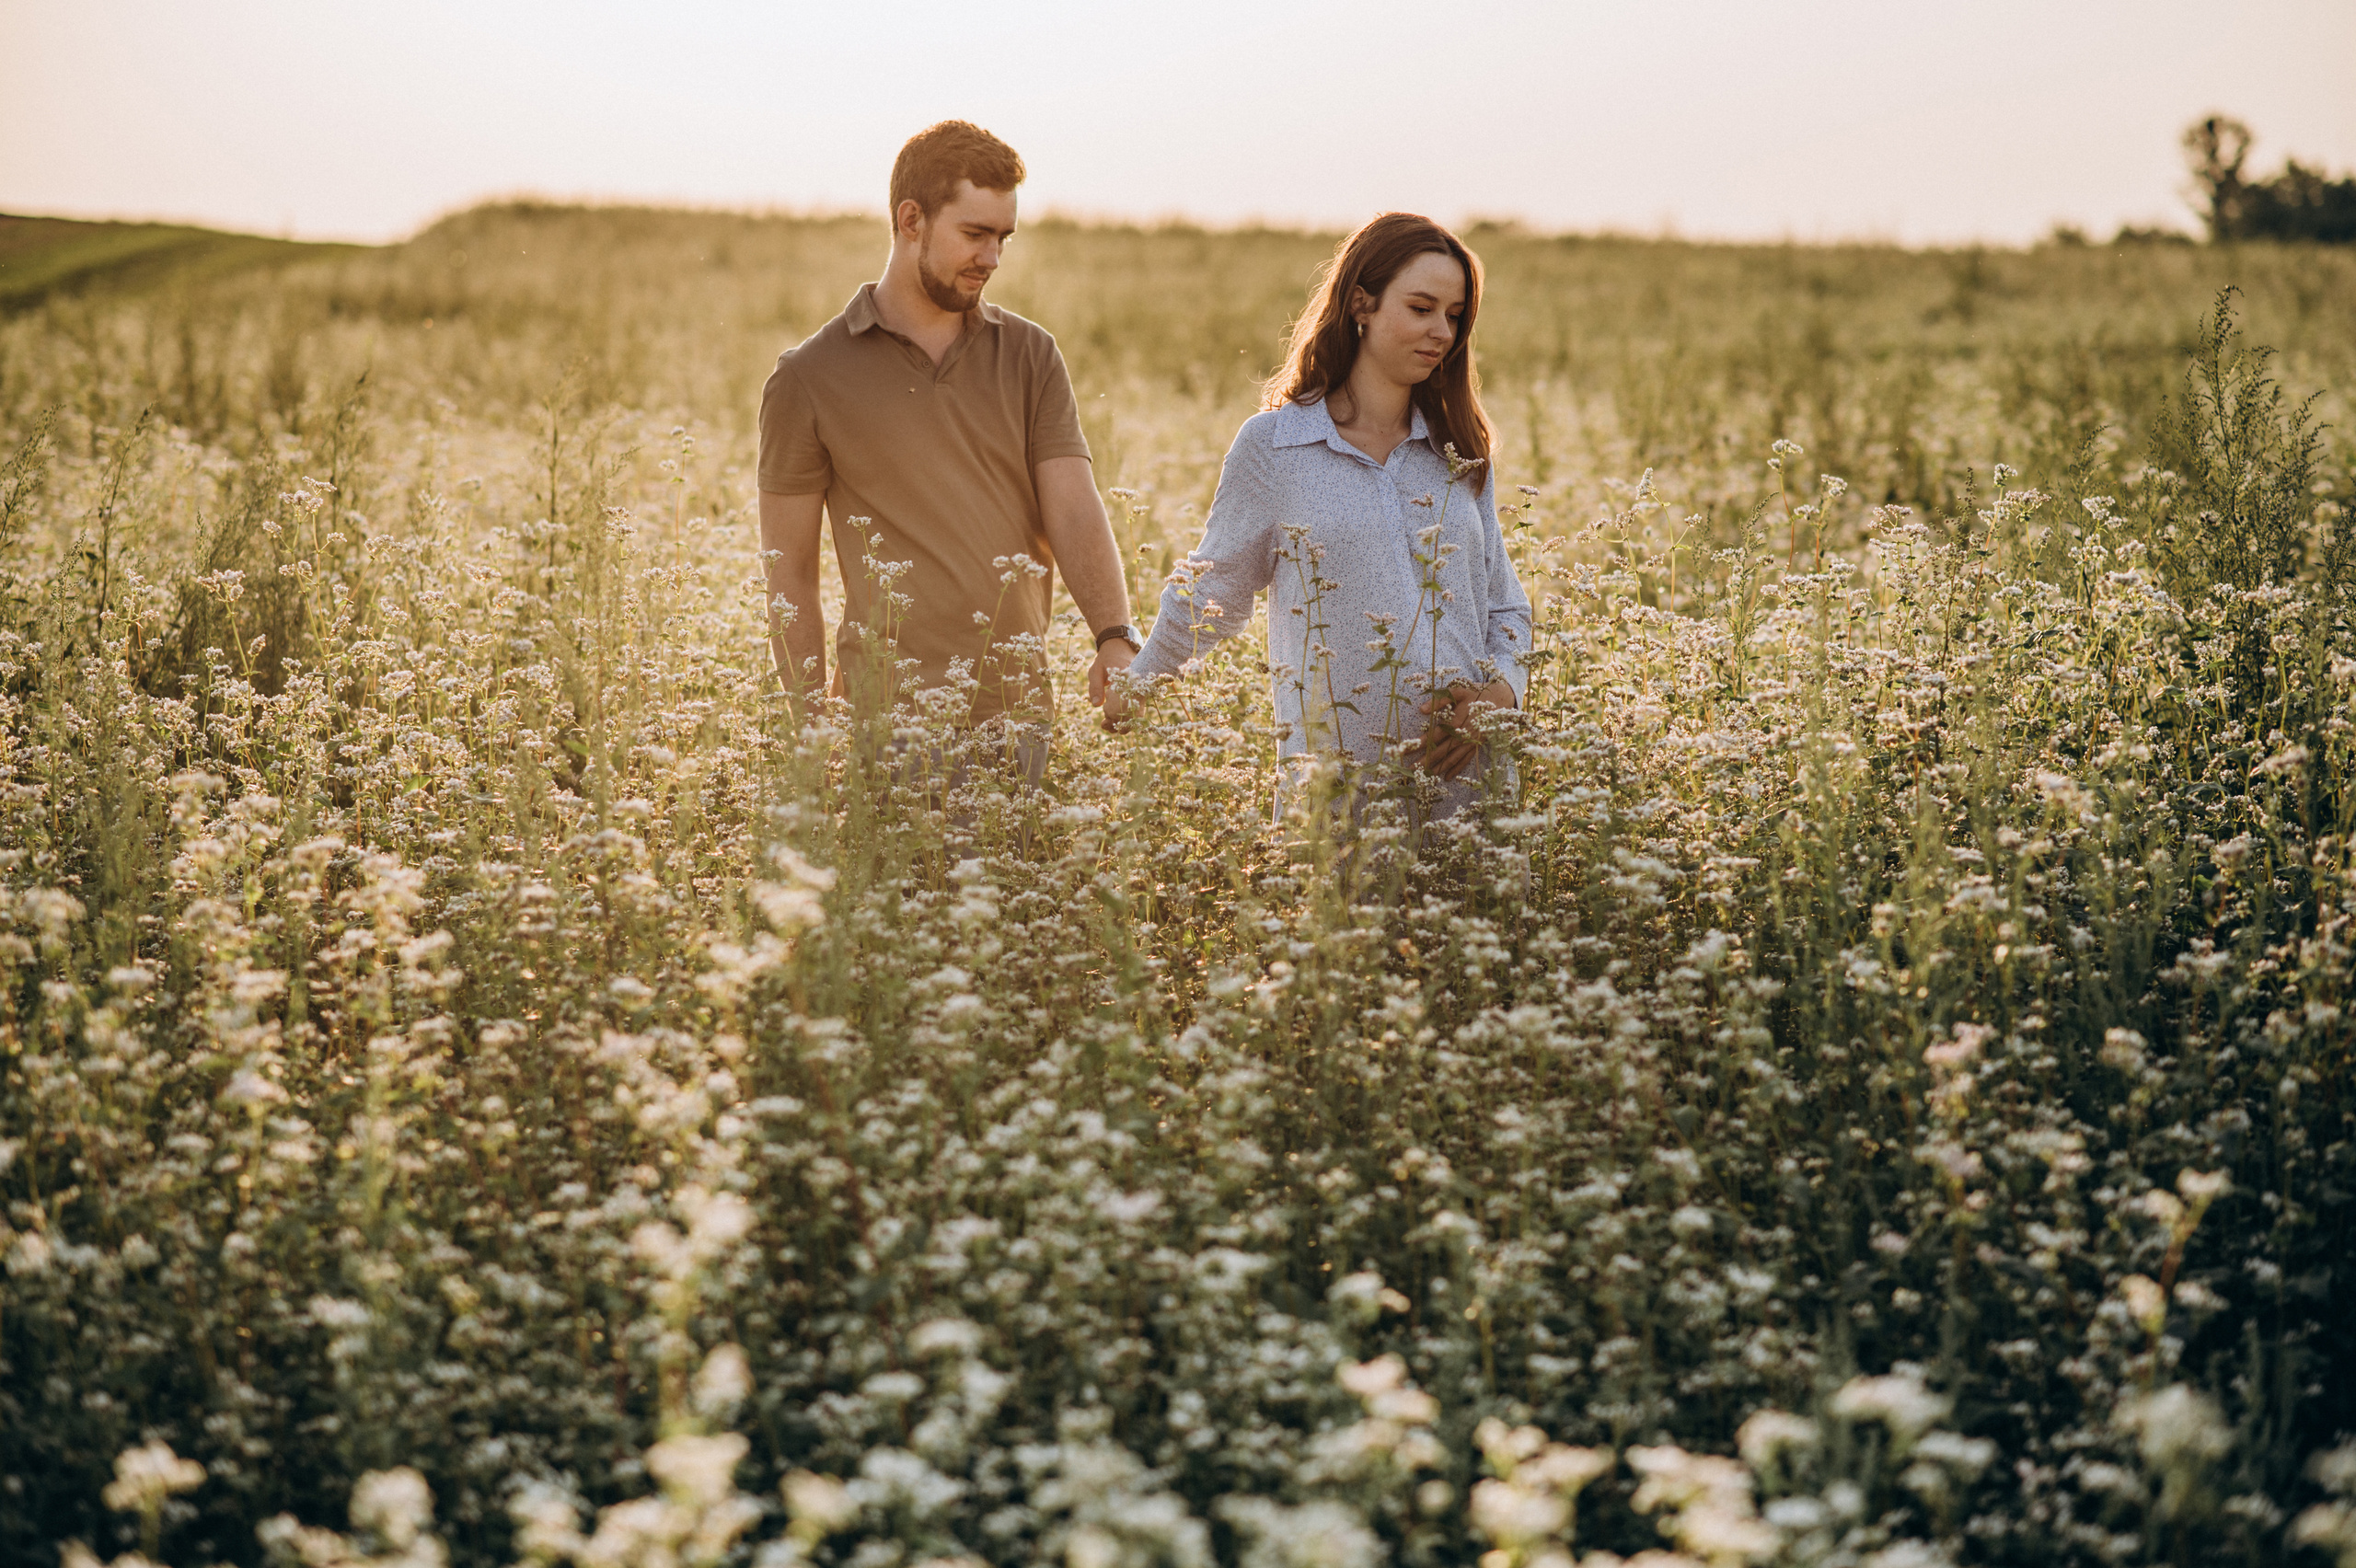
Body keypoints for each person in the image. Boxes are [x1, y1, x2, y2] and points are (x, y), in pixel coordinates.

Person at [1112, 213, 1531, 819]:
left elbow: (1505, 604)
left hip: (1469, 791)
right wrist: (1137, 686)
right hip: (1338, 803)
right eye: (1421, 308)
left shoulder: (1457, 450)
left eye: (1455, 315)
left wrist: (1502, 694)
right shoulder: (1275, 446)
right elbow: (1214, 589)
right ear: (1361, 303)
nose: (1442, 330)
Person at [756, 120, 1138, 775]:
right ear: (912, 220)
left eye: (1003, 238)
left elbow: (1073, 507)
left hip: (1017, 716)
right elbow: (788, 571)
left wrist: (1116, 637)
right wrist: (809, 730)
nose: (992, 257)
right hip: (884, 727)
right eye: (975, 234)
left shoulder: (1032, 355)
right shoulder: (808, 378)